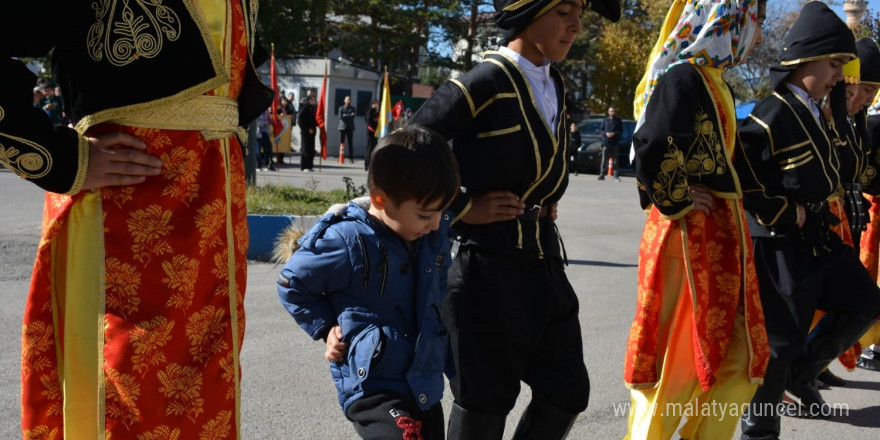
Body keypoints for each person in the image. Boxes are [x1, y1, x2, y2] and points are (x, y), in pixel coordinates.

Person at [0, 2, 273, 438]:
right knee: (122, 388)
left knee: (209, 386)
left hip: (216, 205)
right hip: (120, 212)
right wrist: (59, 158)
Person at [409, 1, 620, 439]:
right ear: (528, 11)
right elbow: (401, 151)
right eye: (564, 11)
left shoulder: (554, 82)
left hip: (542, 261)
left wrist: (542, 196)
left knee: (567, 391)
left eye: (580, 12)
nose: (577, 25)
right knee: (485, 401)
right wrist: (463, 207)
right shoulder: (485, 80)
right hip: (484, 267)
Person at [624, 1, 769, 439]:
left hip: (720, 239)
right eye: (756, 21)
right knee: (674, 365)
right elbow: (649, 142)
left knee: (738, 359)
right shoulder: (684, 77)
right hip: (685, 240)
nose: (758, 35)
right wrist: (679, 196)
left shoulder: (716, 81)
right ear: (732, 20)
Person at [735, 2, 880, 437]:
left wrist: (841, 112)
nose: (841, 76)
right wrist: (783, 212)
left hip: (818, 239)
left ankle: (805, 370)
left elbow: (852, 171)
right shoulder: (772, 111)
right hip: (782, 241)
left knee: (866, 303)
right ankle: (759, 430)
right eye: (834, 64)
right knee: (778, 345)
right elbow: (743, 175)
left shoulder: (822, 111)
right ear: (805, 60)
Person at [276, 125, 461, 440]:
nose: (433, 224)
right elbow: (292, 284)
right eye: (426, 214)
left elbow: (438, 298)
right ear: (381, 198)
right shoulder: (348, 239)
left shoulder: (430, 237)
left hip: (424, 384)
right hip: (374, 384)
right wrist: (325, 327)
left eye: (440, 212)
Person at [597, 106, 622, 180]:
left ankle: (616, 175)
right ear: (608, 112)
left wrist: (614, 134)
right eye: (611, 111)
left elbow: (620, 131)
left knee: (615, 160)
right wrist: (606, 133)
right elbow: (601, 130)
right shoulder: (605, 120)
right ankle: (601, 174)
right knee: (604, 160)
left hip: (614, 143)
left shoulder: (618, 121)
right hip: (606, 143)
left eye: (614, 111)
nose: (613, 112)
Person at [298, 93, 318, 172]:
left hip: (312, 132)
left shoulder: (313, 108)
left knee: (311, 150)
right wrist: (307, 128)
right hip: (305, 132)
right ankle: (304, 166)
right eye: (311, 99)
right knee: (305, 149)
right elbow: (300, 121)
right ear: (308, 100)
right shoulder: (304, 108)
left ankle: (310, 166)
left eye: (314, 99)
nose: (313, 101)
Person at [338, 95, 357, 163]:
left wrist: (345, 115)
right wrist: (348, 115)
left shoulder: (353, 108)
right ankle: (340, 157)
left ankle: (351, 158)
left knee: (350, 143)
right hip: (342, 127)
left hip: (350, 127)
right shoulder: (341, 108)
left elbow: (352, 117)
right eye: (347, 99)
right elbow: (341, 117)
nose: (348, 100)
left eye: (349, 99)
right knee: (341, 143)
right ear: (344, 100)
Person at [365, 99, 380, 170]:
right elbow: (368, 122)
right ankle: (367, 164)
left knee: (374, 148)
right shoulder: (369, 112)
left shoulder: (377, 113)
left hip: (376, 133)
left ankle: (372, 163)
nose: (376, 105)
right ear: (371, 104)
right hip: (371, 132)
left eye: (377, 104)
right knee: (369, 148)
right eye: (374, 104)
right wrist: (374, 129)